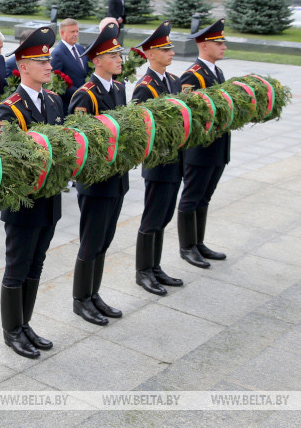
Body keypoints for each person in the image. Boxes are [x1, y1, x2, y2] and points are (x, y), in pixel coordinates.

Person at [0, 27, 64, 359]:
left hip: (50, 201)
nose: (49, 65)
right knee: (18, 265)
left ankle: (26, 323)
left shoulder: (54, 100)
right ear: (22, 67)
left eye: (49, 59)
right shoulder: (10, 109)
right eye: (40, 60)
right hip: (24, 204)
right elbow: (15, 159)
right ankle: (11, 330)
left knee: (37, 263)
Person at [69, 22, 127, 327]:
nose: (119, 59)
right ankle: (81, 299)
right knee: (91, 241)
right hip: (96, 181)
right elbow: (82, 143)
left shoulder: (118, 88)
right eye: (113, 55)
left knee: (105, 239)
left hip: (117, 179)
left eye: (119, 54)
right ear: (97, 61)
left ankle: (94, 294)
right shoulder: (86, 95)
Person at [132, 21, 185, 295]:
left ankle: (155, 266)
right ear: (150, 54)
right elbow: (142, 129)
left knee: (165, 215)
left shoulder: (174, 81)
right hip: (157, 162)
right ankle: (143, 271)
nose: (171, 52)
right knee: (152, 217)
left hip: (175, 159)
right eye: (165, 49)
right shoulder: (145, 87)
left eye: (171, 47)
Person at [177, 19, 230, 268]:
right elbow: (189, 115)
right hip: (200, 150)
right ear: (204, 45)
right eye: (219, 43)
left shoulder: (216, 72)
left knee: (205, 197)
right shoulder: (192, 76)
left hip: (217, 148)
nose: (224, 47)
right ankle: (187, 247)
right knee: (192, 196)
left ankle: (199, 242)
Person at [50, 18, 89, 113]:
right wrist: (78, 93)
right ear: (62, 33)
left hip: (84, 100)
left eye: (77, 31)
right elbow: (55, 82)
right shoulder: (58, 54)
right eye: (72, 32)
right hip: (68, 104)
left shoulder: (80, 49)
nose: (76, 34)